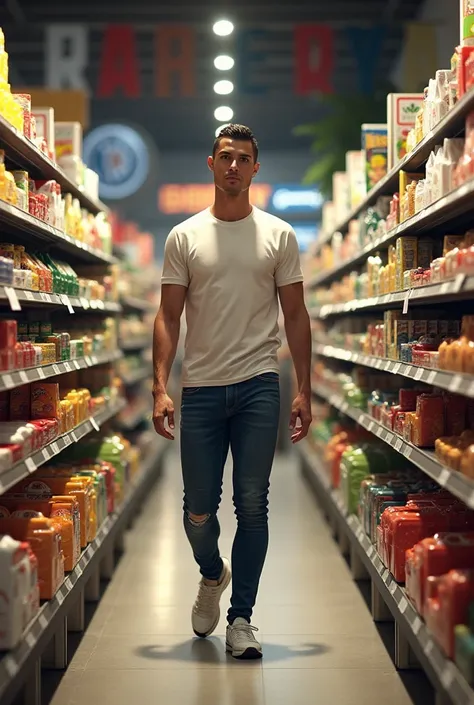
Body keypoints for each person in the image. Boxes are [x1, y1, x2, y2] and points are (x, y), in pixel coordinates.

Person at [152, 124, 312, 659]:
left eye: (244, 159)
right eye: (226, 157)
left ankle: (241, 618)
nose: (234, 167)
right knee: (198, 510)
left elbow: (295, 314)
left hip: (258, 387)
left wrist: (304, 389)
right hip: (199, 388)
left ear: (255, 169)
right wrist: (159, 387)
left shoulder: (279, 235)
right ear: (211, 163)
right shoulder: (184, 237)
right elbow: (168, 317)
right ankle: (211, 572)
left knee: (253, 506)